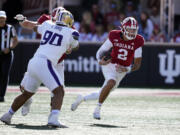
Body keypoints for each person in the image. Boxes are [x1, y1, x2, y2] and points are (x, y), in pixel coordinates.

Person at [0, 10, 79, 127]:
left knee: (26, 94)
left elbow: (36, 28)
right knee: (59, 91)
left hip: (34, 61)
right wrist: (73, 41)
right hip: (46, 63)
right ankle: (53, 118)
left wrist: (24, 21)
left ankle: (8, 115)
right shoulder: (71, 32)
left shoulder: (47, 24)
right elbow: (75, 47)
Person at [71, 17, 144, 120]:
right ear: (123, 29)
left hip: (122, 69)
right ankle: (97, 109)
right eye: (130, 29)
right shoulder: (114, 35)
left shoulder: (138, 41)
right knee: (111, 82)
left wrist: (126, 69)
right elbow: (100, 51)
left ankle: (82, 98)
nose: (132, 32)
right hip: (110, 64)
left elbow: (137, 65)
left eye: (134, 29)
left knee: (104, 91)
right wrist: (100, 60)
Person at [19, 7, 69, 116]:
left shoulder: (69, 27)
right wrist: (23, 21)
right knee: (23, 86)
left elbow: (71, 46)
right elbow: (31, 26)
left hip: (58, 62)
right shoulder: (47, 21)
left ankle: (53, 116)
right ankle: (27, 100)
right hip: (43, 59)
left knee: (57, 91)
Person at [0, 11, 18, 102]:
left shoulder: (10, 28)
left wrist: (10, 48)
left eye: (2, 18)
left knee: (5, 74)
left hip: (7, 54)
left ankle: (1, 95)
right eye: (0, 18)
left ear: (5, 18)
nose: (1, 20)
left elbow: (15, 40)